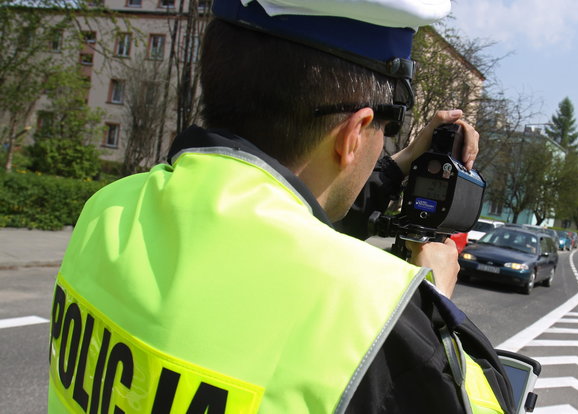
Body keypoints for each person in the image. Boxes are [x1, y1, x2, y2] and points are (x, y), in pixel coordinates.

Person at [47, 0, 514, 413]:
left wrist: (400, 162)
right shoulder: (376, 316)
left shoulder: (107, 210)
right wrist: (434, 310)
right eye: (384, 132)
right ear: (356, 131)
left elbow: (292, 219)